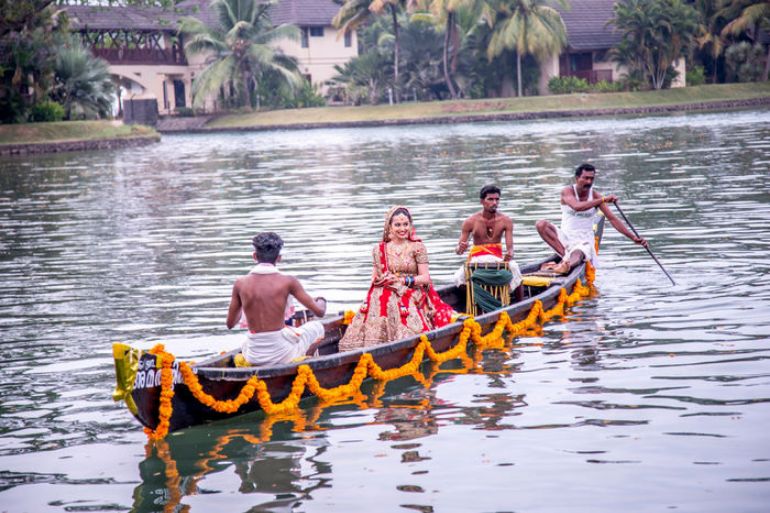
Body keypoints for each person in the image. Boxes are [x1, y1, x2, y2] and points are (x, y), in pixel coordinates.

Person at [338, 206, 455, 352]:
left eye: (406, 224)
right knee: (380, 293)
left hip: (413, 289)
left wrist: (403, 281)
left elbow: (425, 278)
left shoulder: (417, 247)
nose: (402, 229)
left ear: (410, 225)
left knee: (391, 296)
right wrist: (382, 280)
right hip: (388, 288)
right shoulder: (379, 249)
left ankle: (403, 338)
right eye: (397, 225)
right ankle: (375, 341)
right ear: (389, 226)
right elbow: (374, 277)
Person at [226, 232, 327, 367]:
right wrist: (321, 300)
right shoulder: (288, 282)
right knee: (317, 326)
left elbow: (230, 324)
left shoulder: (240, 283)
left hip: (253, 356)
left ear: (254, 256)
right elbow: (319, 312)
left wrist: (245, 302)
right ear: (279, 258)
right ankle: (308, 363)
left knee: (247, 342)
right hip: (282, 355)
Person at [535, 163, 648, 274]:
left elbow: (613, 219)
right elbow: (577, 207)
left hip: (584, 240)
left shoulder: (595, 196)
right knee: (541, 224)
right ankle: (565, 258)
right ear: (577, 178)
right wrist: (603, 200)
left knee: (579, 253)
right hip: (565, 237)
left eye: (591, 179)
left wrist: (633, 238)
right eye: (586, 178)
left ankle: (565, 265)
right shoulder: (567, 191)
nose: (589, 182)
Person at [453, 184, 523, 292]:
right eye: (490, 199)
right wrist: (461, 247)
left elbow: (511, 248)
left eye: (497, 199)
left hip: (497, 259)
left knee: (515, 269)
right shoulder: (470, 221)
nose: (494, 203)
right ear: (482, 201)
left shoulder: (506, 220)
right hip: (477, 260)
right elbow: (458, 251)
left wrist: (510, 254)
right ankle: (478, 297)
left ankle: (520, 305)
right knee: (458, 278)